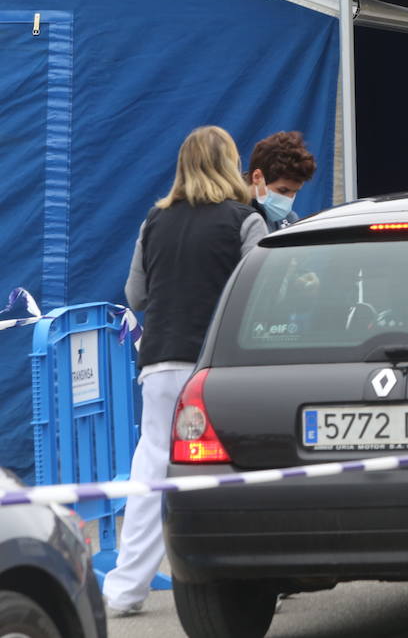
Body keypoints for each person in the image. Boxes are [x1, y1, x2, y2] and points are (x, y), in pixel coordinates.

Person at [103, 127, 267, 617]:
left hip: (159, 361)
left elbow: (136, 296)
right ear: (229, 163)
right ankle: (250, 582)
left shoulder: (154, 220)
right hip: (219, 367)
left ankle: (125, 592)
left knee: (151, 471)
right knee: (238, 469)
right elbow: (262, 293)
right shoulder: (247, 219)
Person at [246, 130, 317, 231]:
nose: (288, 200)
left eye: (294, 192)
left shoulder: (290, 219)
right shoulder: (232, 217)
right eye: (283, 190)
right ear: (257, 177)